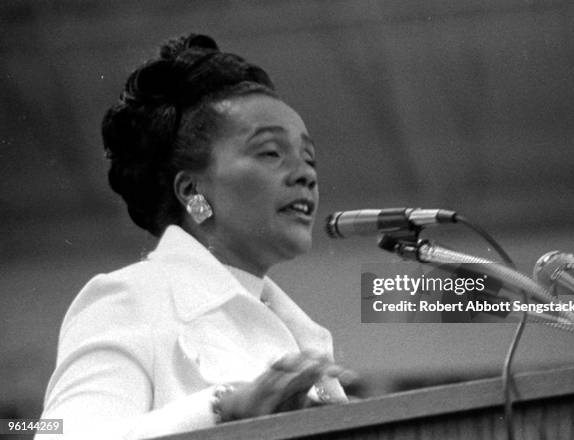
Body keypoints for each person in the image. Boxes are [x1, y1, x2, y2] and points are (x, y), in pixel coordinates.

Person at [37, 33, 348, 440]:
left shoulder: (301, 335)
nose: (306, 173)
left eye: (309, 158)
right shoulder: (130, 298)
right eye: (271, 152)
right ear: (191, 192)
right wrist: (221, 408)